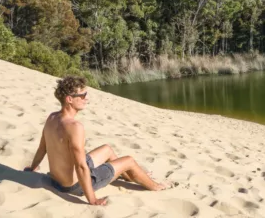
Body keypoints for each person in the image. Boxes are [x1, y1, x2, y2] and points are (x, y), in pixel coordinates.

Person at [24, 75, 169, 205]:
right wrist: (92, 199)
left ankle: (130, 176)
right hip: (75, 185)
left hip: (56, 180)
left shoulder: (52, 117)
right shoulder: (75, 127)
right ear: (69, 99)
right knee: (129, 160)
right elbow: (81, 166)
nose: (86, 98)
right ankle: (155, 186)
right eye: (82, 95)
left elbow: (42, 148)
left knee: (107, 149)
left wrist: (33, 167)